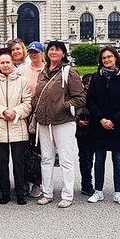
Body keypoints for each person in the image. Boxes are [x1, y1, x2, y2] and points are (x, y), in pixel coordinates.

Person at [33, 41, 86, 208]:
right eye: (51, 49)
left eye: (58, 49)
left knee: (65, 159)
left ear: (64, 53)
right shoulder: (43, 72)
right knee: (46, 159)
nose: (54, 52)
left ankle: (67, 194)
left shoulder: (69, 72)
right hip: (44, 121)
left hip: (63, 121)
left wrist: (62, 106)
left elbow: (80, 98)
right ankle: (47, 193)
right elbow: (38, 94)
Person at [86, 46, 120, 206]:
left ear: (116, 58)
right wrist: (101, 119)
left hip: (118, 125)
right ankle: (98, 191)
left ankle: (118, 193)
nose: (106, 60)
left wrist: (113, 120)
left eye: (109, 57)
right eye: (104, 58)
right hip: (99, 124)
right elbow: (90, 100)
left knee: (118, 159)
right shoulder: (96, 77)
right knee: (99, 159)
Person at [0, 48, 32, 205]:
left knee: (18, 162)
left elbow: (27, 104)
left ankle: (20, 193)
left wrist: (15, 112)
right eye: (2, 62)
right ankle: (5, 193)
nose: (5, 65)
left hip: (17, 125)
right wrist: (3, 111)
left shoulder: (22, 81)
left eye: (8, 62)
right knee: (2, 161)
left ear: (13, 63)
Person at [18, 41, 46, 198]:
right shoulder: (22, 70)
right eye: (31, 52)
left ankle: (38, 182)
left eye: (36, 52)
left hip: (42, 114)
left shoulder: (48, 69)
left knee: (39, 150)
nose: (33, 54)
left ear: (42, 53)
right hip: (26, 114)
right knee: (24, 149)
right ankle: (25, 180)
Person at [76, 75, 95, 197]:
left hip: (93, 128)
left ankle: (88, 183)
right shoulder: (79, 94)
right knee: (84, 157)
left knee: (90, 158)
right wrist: (77, 120)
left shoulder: (97, 94)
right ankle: (86, 184)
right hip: (81, 129)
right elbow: (73, 109)